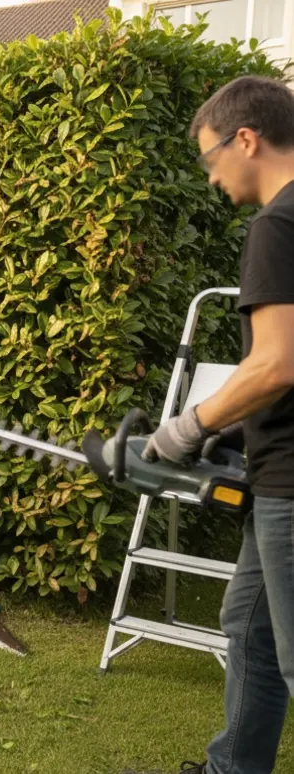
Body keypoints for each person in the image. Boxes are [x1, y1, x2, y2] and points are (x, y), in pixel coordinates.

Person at [142, 74, 294, 774]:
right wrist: (232, 432)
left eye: (210, 158)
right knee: (249, 628)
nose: (210, 177)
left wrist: (187, 428)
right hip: (273, 469)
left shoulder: (277, 224)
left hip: (291, 483)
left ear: (246, 139)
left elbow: (275, 365)